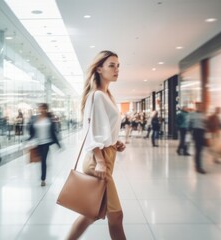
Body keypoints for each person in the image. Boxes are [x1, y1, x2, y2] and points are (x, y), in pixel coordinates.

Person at [66, 50, 127, 240]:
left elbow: (101, 128)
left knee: (89, 214)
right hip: (98, 160)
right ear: (99, 69)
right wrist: (101, 161)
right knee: (116, 216)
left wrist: (114, 142)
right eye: (111, 65)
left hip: (104, 156)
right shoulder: (98, 95)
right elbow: (92, 132)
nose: (116, 69)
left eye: (118, 66)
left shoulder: (106, 94)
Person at [27, 103, 61, 187]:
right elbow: (30, 129)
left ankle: (43, 179)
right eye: (40, 108)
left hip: (46, 143)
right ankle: (43, 171)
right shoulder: (35, 118)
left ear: (46, 109)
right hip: (37, 142)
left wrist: (58, 144)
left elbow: (53, 132)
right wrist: (29, 138)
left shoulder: (49, 119)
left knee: (43, 161)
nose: (41, 110)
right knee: (38, 160)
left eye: (43, 108)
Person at [188, 102, 207, 174]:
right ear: (196, 107)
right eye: (198, 106)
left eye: (201, 106)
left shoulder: (203, 114)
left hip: (202, 132)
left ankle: (198, 165)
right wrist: (190, 133)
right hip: (196, 132)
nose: (200, 107)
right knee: (198, 150)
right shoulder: (192, 114)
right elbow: (189, 124)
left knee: (200, 150)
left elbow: (205, 124)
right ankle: (198, 166)